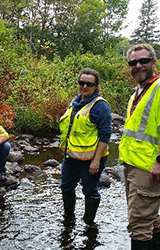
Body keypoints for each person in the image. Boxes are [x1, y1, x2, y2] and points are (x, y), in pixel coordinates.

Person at [119, 44, 160, 250]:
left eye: (143, 61)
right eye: (133, 62)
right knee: (150, 218)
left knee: (138, 223)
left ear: (153, 62)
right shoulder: (139, 91)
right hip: (134, 163)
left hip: (149, 166)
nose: (137, 65)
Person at [59, 68, 112, 226]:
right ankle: (69, 219)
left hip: (90, 159)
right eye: (81, 83)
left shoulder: (100, 106)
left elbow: (105, 134)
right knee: (66, 187)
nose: (84, 86)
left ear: (96, 86)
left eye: (89, 84)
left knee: (89, 190)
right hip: (71, 156)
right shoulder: (75, 102)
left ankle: (89, 224)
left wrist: (96, 161)